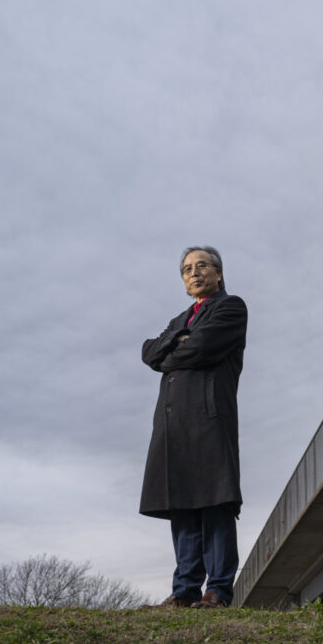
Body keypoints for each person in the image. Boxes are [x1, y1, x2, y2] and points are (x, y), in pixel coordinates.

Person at [139, 245, 247, 609]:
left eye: (202, 266)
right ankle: (184, 591)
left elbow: (199, 349)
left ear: (218, 273)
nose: (194, 273)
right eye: (187, 269)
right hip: (173, 425)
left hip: (208, 420)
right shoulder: (179, 319)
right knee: (182, 506)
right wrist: (175, 340)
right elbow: (149, 353)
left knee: (215, 503)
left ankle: (217, 591)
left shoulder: (231, 307)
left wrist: (173, 348)